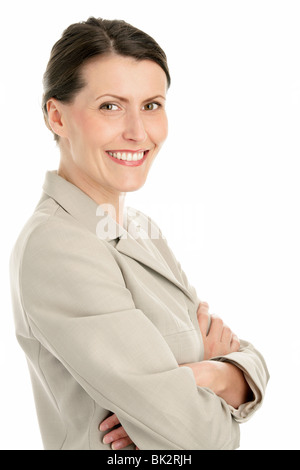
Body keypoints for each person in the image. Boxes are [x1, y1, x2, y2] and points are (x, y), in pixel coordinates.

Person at [9, 17, 269, 450]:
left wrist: (209, 373)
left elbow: (248, 356)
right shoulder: (57, 246)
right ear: (57, 115)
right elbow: (201, 438)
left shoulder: (140, 229)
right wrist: (212, 381)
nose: (138, 131)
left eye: (152, 105)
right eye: (110, 106)